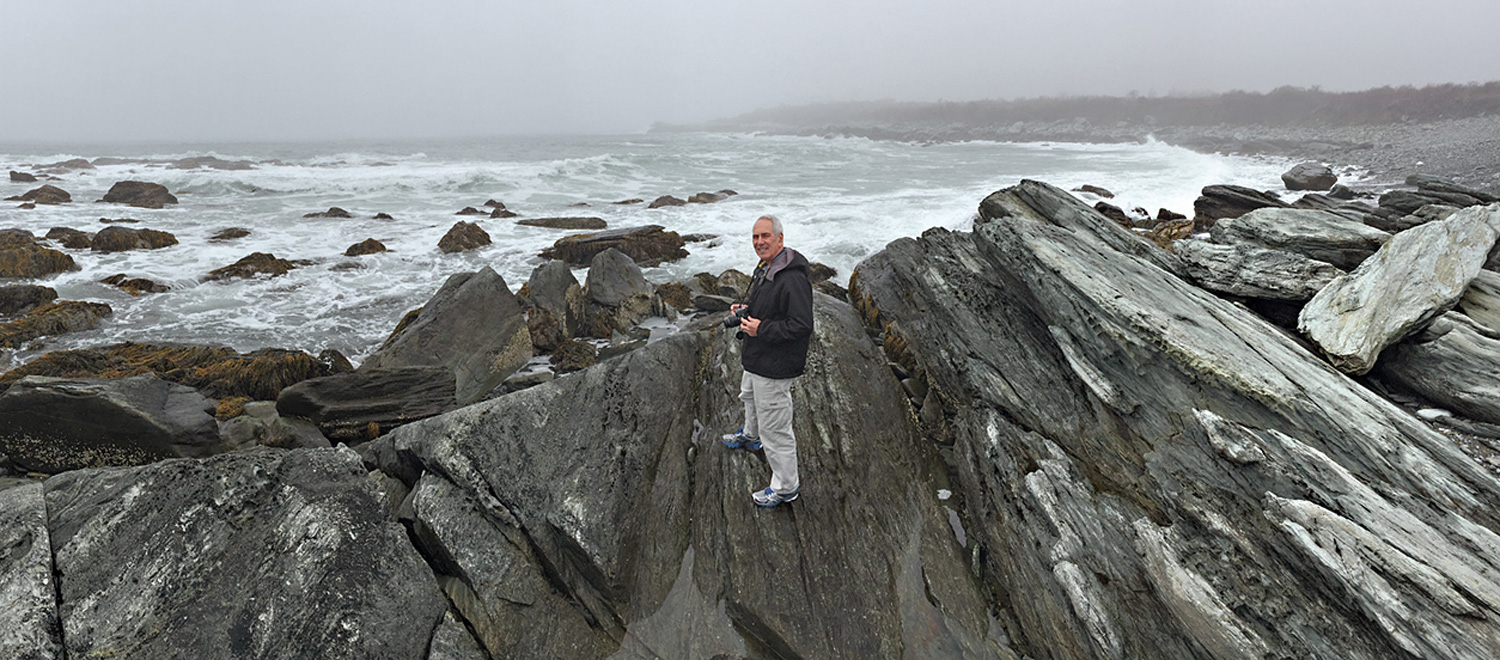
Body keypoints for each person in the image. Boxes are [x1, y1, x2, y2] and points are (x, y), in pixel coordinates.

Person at [721, 214, 815, 507]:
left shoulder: (793, 278)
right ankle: (750, 436)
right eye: (755, 237)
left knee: (776, 429)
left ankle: (786, 487)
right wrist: (747, 308)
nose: (759, 242)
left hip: (775, 365)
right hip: (758, 358)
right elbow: (770, 307)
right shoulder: (768, 266)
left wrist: (761, 328)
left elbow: (801, 325)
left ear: (780, 239)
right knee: (748, 396)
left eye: (765, 236)